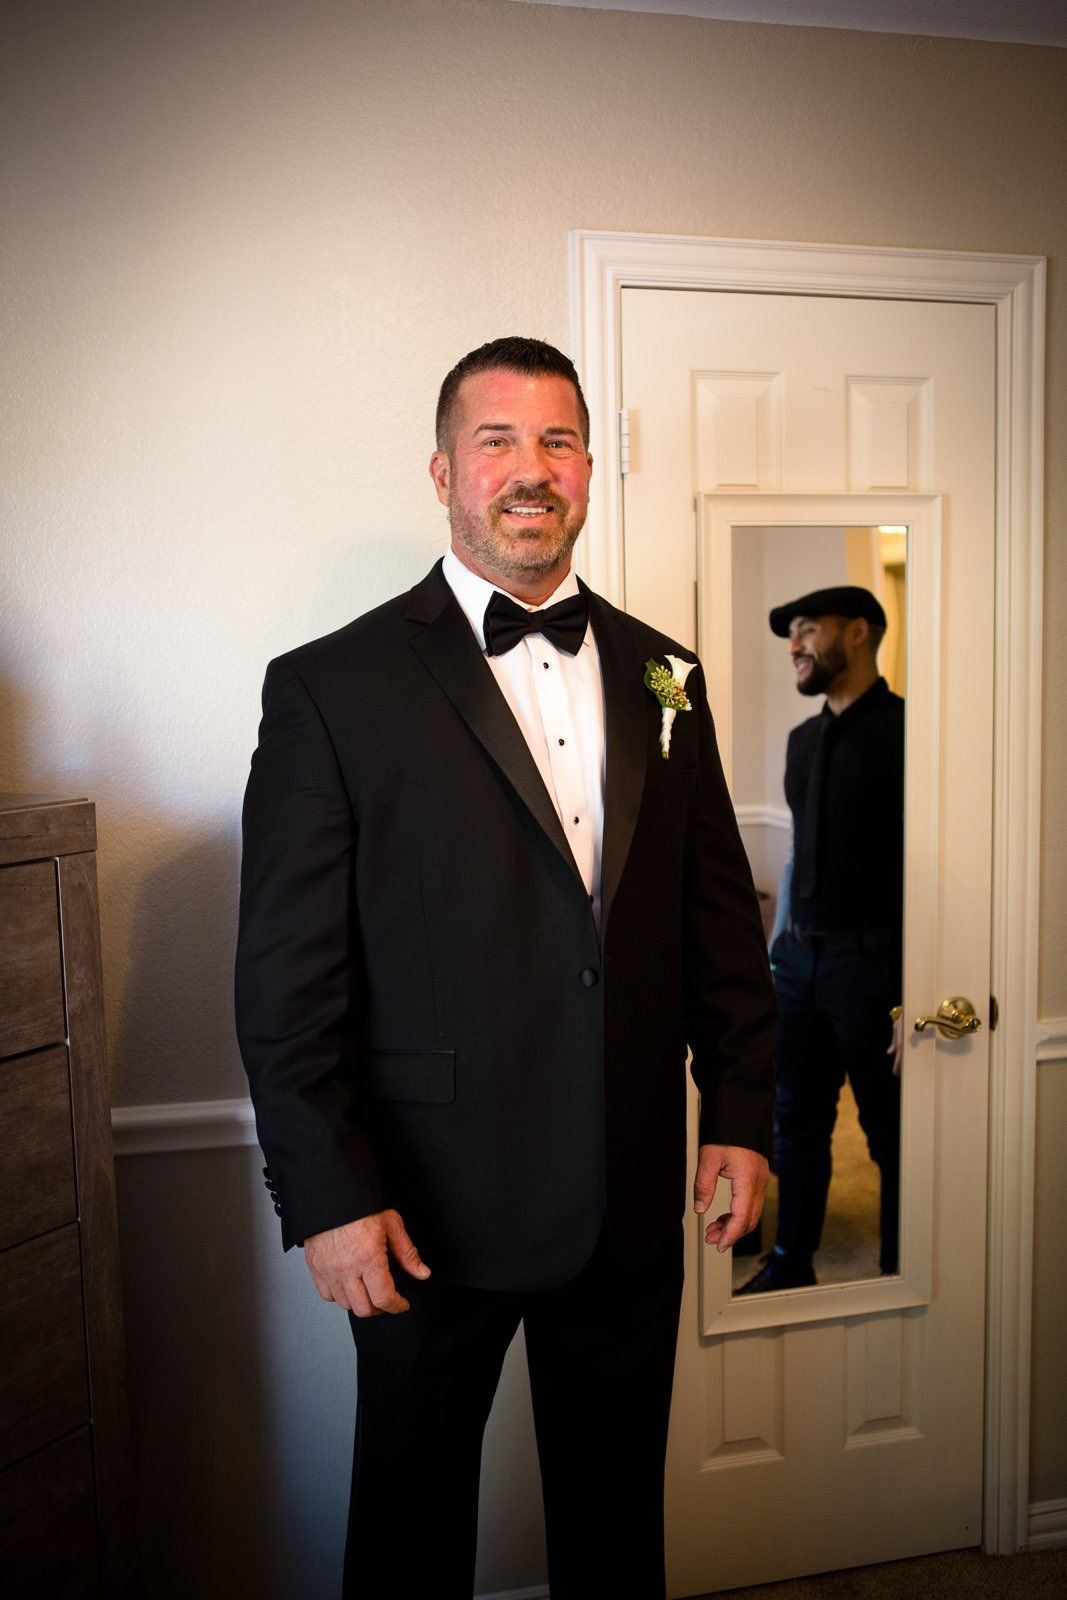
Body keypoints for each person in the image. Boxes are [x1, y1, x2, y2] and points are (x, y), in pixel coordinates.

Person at [235, 337, 777, 1599]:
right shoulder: (327, 687)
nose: (530, 470)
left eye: (558, 441)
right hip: (422, 1212)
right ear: (442, 470)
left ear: (588, 467)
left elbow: (716, 932)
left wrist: (742, 1114)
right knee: (410, 1537)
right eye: (497, 441)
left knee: (612, 1527)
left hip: (625, 1202)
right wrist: (323, 1194)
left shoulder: (666, 674)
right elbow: (285, 979)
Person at [738, 587, 904, 1296]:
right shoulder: (802, 740)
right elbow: (798, 852)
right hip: (798, 960)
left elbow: (925, 865)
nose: (794, 645)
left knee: (888, 1130)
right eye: (789, 634)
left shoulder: (908, 730)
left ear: (858, 633)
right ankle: (788, 1263)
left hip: (874, 966)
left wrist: (914, 988)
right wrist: (778, 955)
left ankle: (902, 1264)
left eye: (807, 629)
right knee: (794, 1124)